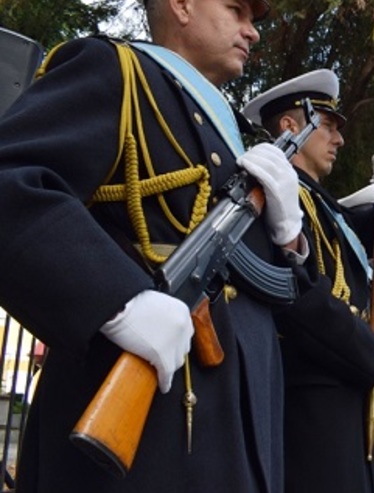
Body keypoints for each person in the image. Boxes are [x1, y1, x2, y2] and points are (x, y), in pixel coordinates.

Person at [0, 0, 304, 491]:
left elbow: (274, 297)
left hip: (235, 431)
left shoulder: (233, 138)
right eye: (237, 10)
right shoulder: (118, 73)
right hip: (158, 434)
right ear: (181, 5)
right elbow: (11, 184)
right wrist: (116, 300)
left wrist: (291, 237)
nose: (253, 33)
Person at [242, 69, 374, 493]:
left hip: (347, 385)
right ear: (291, 126)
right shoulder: (276, 194)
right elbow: (298, 296)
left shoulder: (321, 203)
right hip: (314, 398)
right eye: (329, 127)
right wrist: (372, 355)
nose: (339, 140)